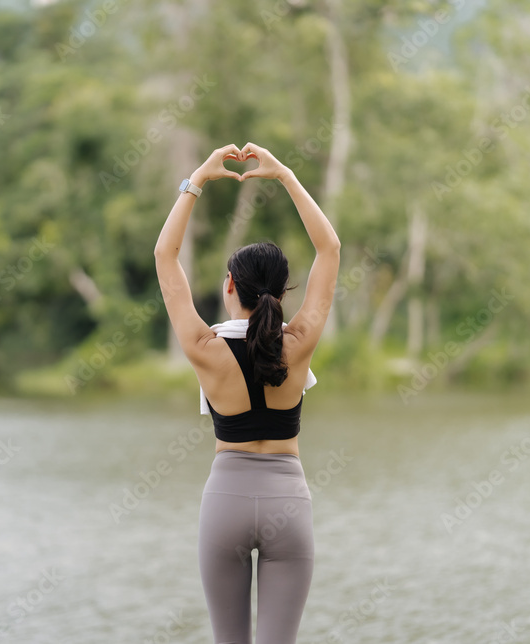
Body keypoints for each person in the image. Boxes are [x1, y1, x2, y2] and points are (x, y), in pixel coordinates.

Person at [154, 142, 341, 644]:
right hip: (288, 503)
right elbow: (330, 250)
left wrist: (196, 179)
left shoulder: (203, 347)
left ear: (229, 285)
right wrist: (284, 176)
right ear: (282, 294)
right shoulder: (297, 344)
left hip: (225, 503)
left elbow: (165, 256)